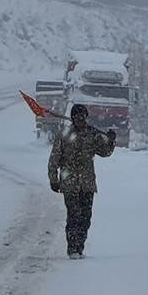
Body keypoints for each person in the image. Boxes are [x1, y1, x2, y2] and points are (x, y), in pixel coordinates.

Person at [48, 104, 116, 259]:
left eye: (83, 117)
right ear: (73, 118)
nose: (80, 119)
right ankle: (72, 248)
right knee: (74, 215)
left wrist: (111, 141)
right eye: (77, 117)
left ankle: (80, 247)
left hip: (87, 184)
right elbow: (54, 159)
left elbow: (104, 152)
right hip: (69, 183)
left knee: (86, 218)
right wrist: (53, 178)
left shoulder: (92, 134)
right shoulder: (64, 135)